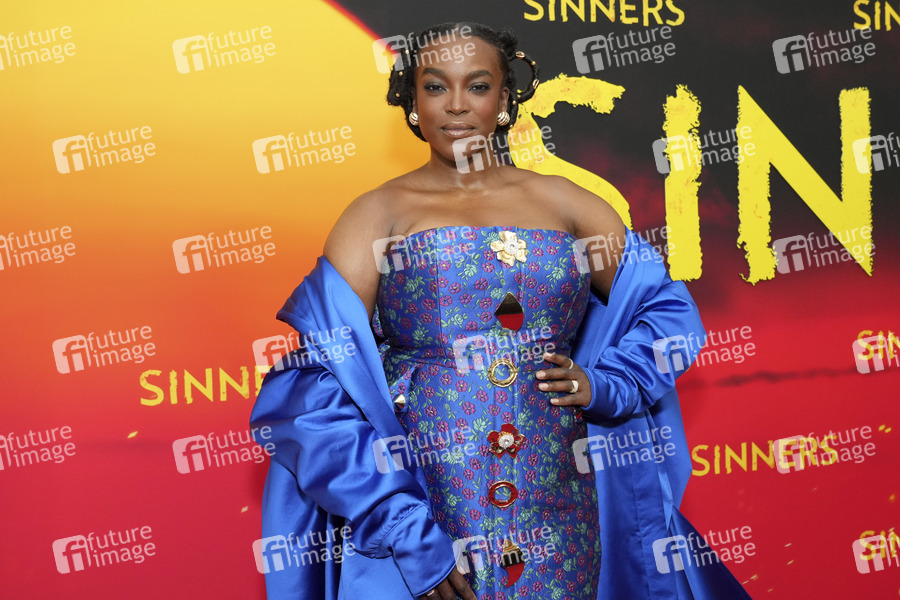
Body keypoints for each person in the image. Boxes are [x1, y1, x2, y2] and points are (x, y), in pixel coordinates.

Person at [250, 21, 752, 600]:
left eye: (478, 85)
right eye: (435, 86)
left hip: (560, 494)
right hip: (430, 492)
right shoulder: (376, 214)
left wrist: (608, 384)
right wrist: (403, 530)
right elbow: (313, 383)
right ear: (412, 101)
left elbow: (666, 311)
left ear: (506, 97)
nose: (456, 105)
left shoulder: (569, 204)